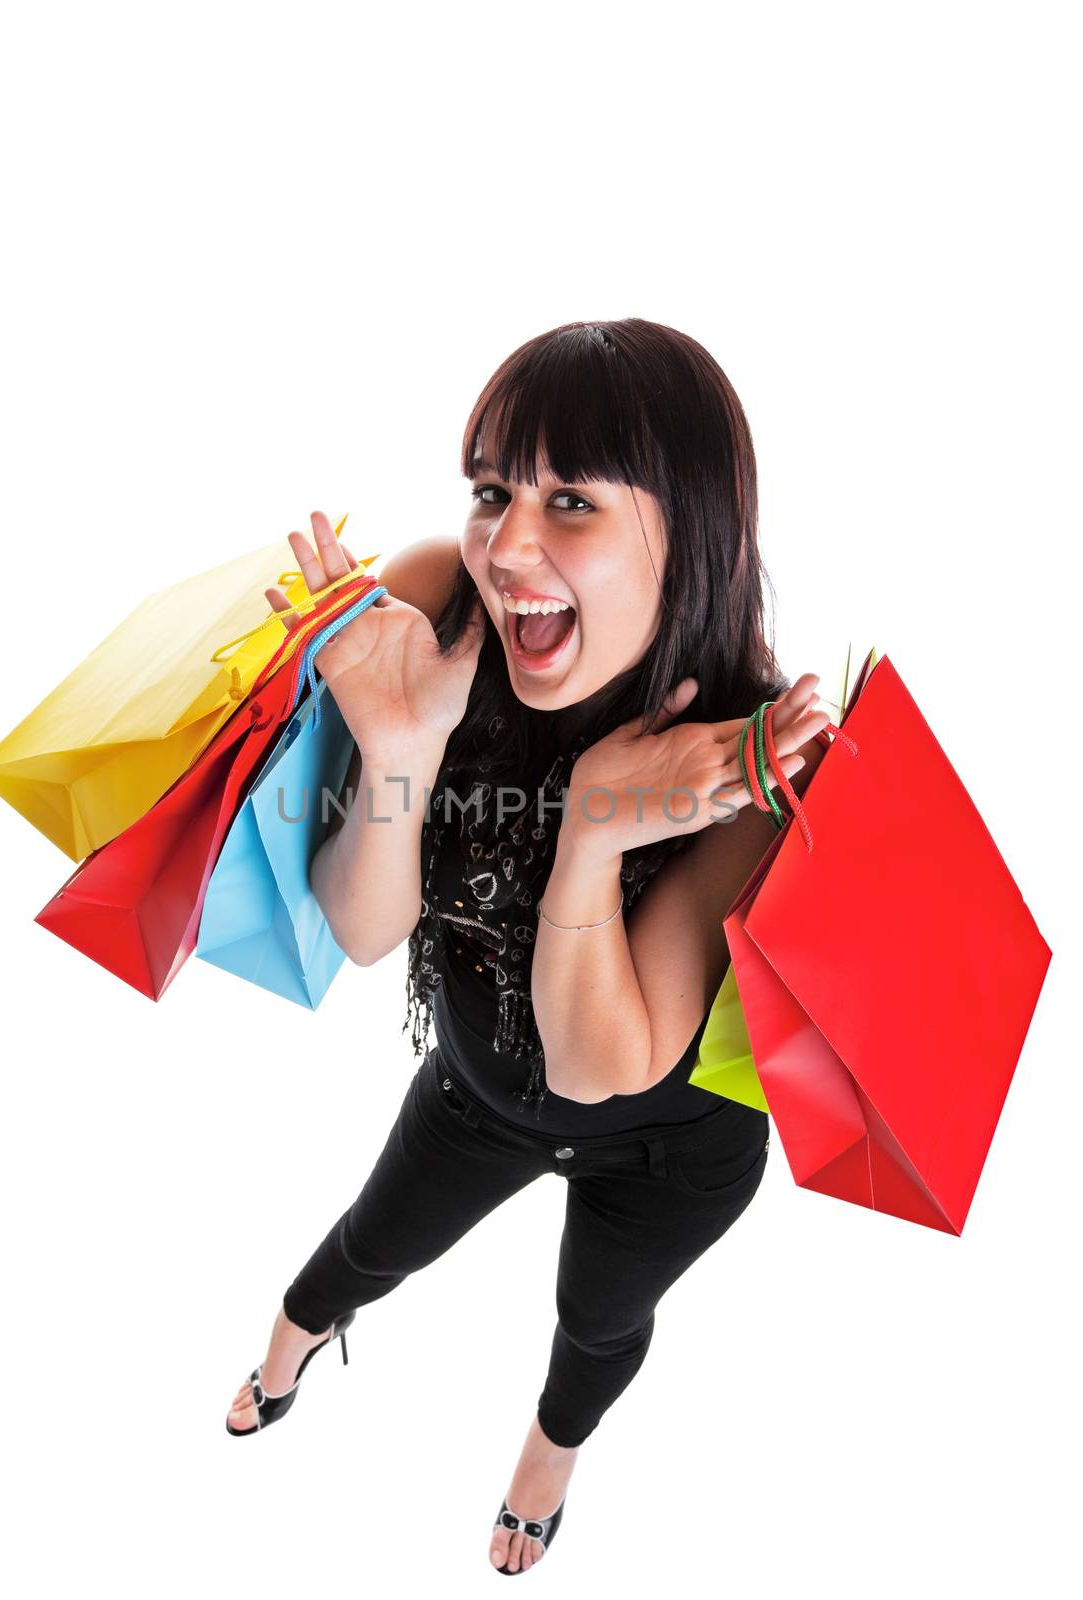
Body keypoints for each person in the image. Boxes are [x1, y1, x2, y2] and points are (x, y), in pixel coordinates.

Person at [224, 318, 830, 1574]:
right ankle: (292, 1335)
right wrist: (395, 755)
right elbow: (364, 923)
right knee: (370, 1240)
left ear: (692, 526)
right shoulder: (443, 597)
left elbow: (604, 1062)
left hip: (670, 1141)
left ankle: (548, 1456)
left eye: (570, 501)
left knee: (599, 1319)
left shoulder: (750, 758)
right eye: (495, 489)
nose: (508, 546)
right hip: (477, 1086)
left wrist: (599, 835)